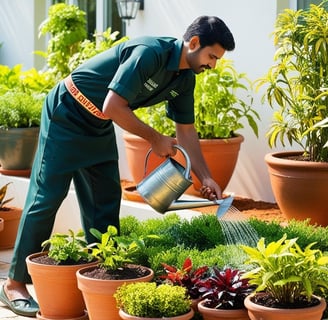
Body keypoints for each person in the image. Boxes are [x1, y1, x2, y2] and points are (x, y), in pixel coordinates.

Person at [0, 15, 235, 317]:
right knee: (47, 199)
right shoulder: (150, 53)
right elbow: (113, 105)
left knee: (106, 202)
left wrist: (207, 178)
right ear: (193, 43)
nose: (213, 65)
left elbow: (186, 131)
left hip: (98, 125)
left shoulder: (185, 79)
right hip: (68, 110)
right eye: (211, 56)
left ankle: (97, 278)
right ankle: (15, 284)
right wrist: (153, 138)